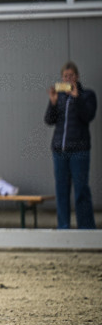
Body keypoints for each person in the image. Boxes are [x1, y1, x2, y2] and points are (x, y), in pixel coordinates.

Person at [44, 61, 97, 229]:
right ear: (62, 78)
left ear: (77, 76)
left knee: (81, 189)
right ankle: (64, 227)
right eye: (65, 76)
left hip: (79, 151)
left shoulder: (87, 95)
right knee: (62, 191)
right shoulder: (59, 97)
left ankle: (86, 228)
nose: (68, 79)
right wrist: (52, 103)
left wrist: (77, 98)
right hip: (60, 151)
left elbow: (88, 116)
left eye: (71, 75)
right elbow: (49, 120)